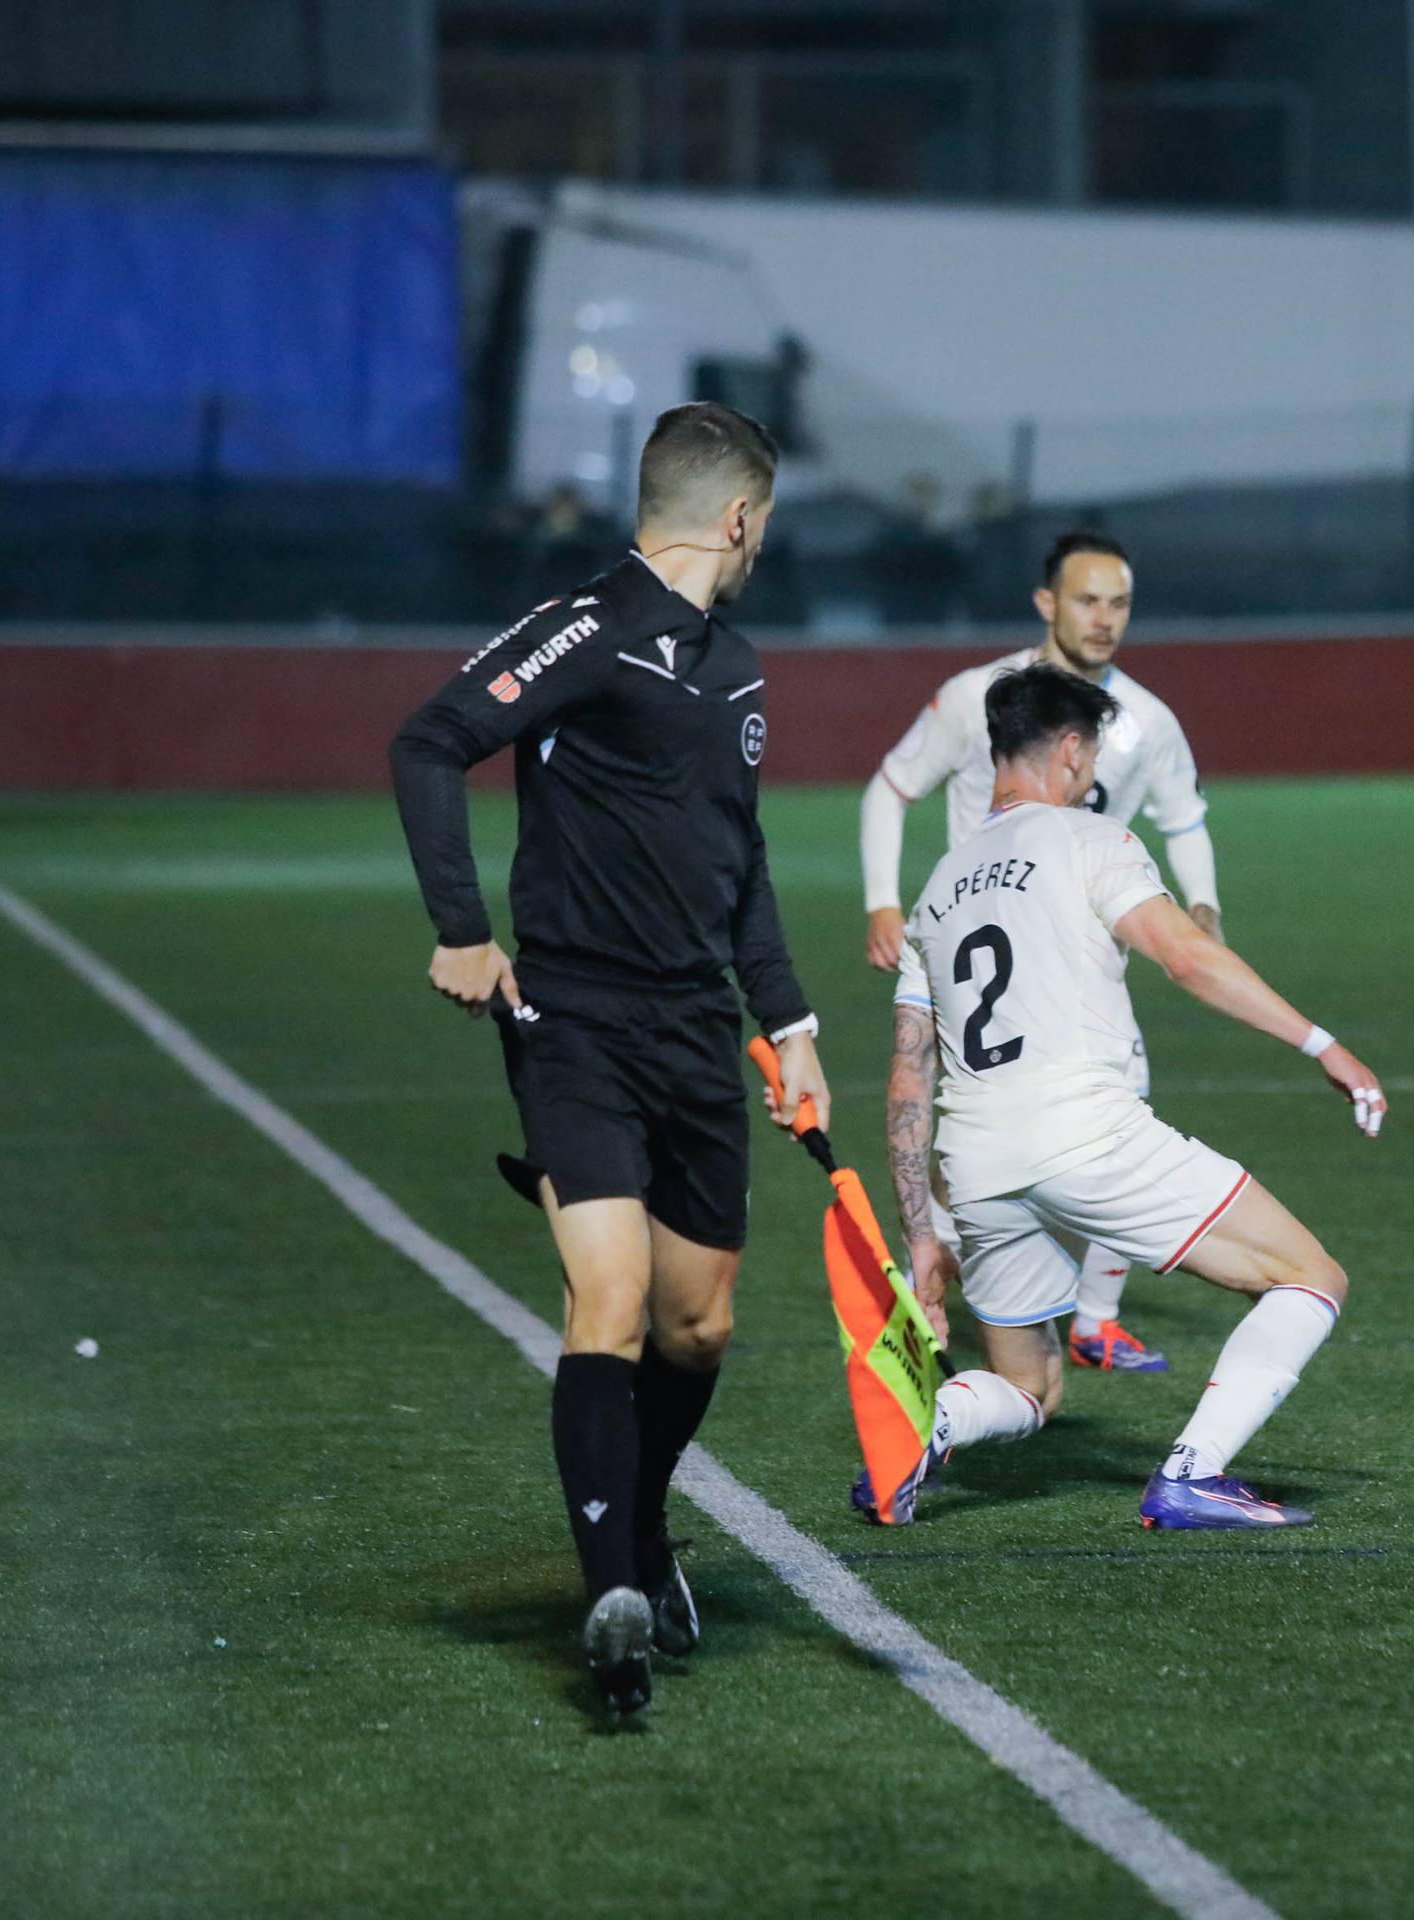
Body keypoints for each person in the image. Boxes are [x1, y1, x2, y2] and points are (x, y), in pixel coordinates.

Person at [388, 402, 833, 1714]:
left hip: (698, 1031)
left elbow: (736, 860)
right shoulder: (582, 629)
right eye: (764, 527)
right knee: (612, 1299)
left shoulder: (738, 667)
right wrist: (463, 932)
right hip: (573, 1019)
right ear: (740, 519)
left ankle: (640, 1535)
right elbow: (431, 741)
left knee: (698, 1323)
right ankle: (612, 1598)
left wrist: (788, 1023)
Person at [879, 665, 1383, 1529]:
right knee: (1309, 1276)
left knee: (1029, 1386)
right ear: (1070, 750)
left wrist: (924, 1230)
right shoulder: (1089, 839)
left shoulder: (936, 890)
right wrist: (1320, 1042)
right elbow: (1186, 957)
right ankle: (1192, 1474)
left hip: (977, 1163)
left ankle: (927, 1426)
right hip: (1086, 1137)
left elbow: (906, 1075)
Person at [859, 532, 1219, 1372]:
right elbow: (891, 787)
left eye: (1119, 603)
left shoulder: (1145, 725)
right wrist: (882, 899)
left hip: (1081, 957)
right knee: (960, 1140)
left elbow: (1184, 821)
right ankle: (930, 1300)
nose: (1104, 619)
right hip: (974, 956)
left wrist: (1202, 906)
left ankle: (1093, 1320)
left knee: (1124, 1094)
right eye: (1087, 599)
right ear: (1046, 603)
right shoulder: (978, 700)